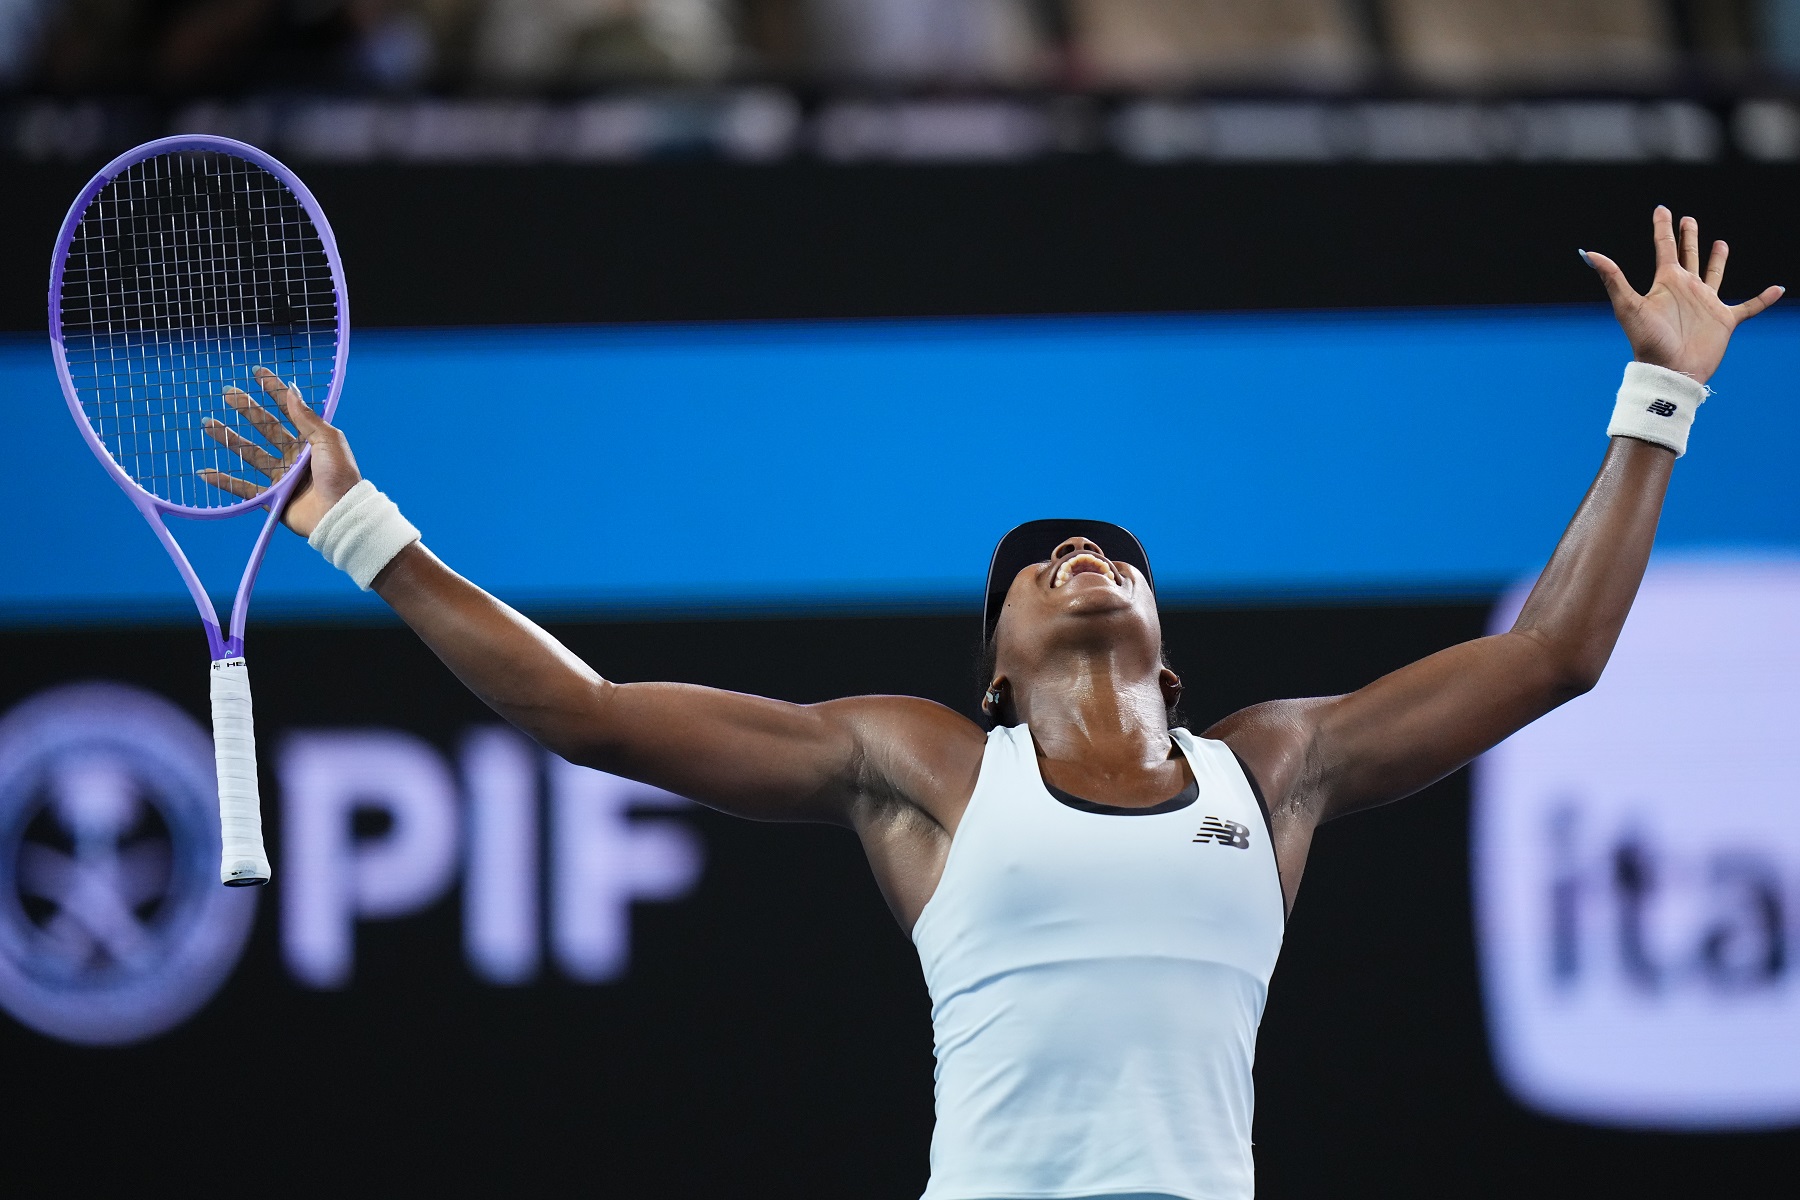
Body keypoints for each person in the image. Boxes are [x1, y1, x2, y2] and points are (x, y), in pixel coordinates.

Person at [202, 208, 1781, 1200]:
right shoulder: (925, 767)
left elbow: (1554, 655)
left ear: (1169, 655)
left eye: (1109, 556)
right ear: (996, 670)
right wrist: (363, 530)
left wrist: (1666, 394)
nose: (1079, 558)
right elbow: (593, 715)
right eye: (1038, 566)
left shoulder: (1278, 767)